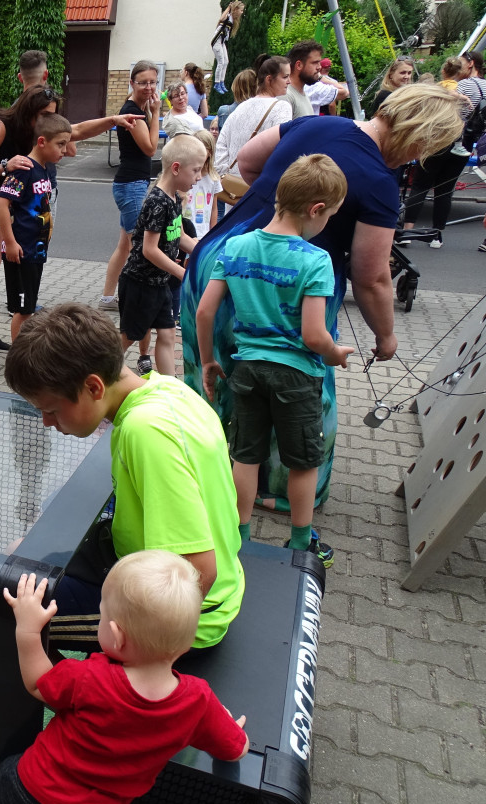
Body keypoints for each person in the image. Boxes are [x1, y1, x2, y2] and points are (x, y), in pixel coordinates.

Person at [181, 84, 462, 512]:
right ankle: (277, 493)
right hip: (293, 286)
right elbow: (372, 277)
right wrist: (385, 337)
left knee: (213, 374)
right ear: (417, 137)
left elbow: (248, 160)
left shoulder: (319, 122)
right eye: (427, 149)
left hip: (224, 252)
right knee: (294, 386)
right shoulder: (379, 183)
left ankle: (201, 468)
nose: (420, 160)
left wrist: (281, 204)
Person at [0, 303, 245, 654]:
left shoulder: (145, 431)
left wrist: (144, 650)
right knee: (19, 554)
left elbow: (198, 571)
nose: (46, 422)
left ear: (94, 387)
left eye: (52, 410)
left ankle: (76, 696)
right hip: (139, 565)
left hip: (184, 614)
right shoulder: (166, 388)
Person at [0, 552, 249, 804]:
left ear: (117, 637)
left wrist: (27, 629)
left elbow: (38, 683)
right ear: (187, 642)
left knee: (2, 779)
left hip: (26, 792)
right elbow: (236, 749)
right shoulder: (198, 701)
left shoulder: (91, 676)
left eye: (102, 614)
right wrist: (227, 726)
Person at [197, 154, 351, 567]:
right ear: (315, 210)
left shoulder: (237, 245)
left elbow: (205, 312)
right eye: (330, 216)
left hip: (245, 370)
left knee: (245, 455)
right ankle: (301, 544)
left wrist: (210, 360)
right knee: (302, 462)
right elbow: (315, 336)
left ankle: (239, 536)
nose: (327, 224)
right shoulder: (316, 261)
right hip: (296, 377)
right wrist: (336, 354)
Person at [0, 85, 142, 364]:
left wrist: (113, 121)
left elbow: (77, 130)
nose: (50, 119)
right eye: (45, 114)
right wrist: (4, 166)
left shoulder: (38, 133)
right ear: (29, 111)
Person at [116, 135, 204, 376]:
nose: (199, 177)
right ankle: (99, 380)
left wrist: (204, 252)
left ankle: (170, 389)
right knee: (127, 338)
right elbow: (149, 249)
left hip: (159, 284)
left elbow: (179, 236)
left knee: (167, 334)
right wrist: (182, 273)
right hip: (140, 284)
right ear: (176, 168)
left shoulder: (174, 198)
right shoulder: (158, 202)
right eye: (196, 170)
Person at [0, 113, 71, 340]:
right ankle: (19, 360)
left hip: (35, 252)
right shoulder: (24, 169)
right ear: (41, 142)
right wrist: (10, 242)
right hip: (21, 252)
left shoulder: (44, 169)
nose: (64, 150)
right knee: (23, 310)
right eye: (60, 144)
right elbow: (1, 204)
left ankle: (23, 355)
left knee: (28, 307)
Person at [99, 60, 161, 313]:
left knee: (125, 245)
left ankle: (107, 298)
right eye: (143, 82)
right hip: (132, 185)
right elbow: (150, 148)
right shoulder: (134, 113)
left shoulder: (137, 108)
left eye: (153, 82)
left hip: (131, 184)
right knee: (140, 247)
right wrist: (156, 114)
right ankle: (134, 298)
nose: (148, 87)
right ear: (132, 83)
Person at [402, 61, 476, 248]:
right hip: (460, 143)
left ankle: (408, 230)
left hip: (435, 141)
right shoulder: (472, 88)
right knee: (445, 191)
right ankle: (436, 235)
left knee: (420, 186)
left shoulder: (437, 89)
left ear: (443, 71)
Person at [214, 55, 291, 184]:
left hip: (233, 190)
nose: (289, 81)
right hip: (261, 189)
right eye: (285, 77)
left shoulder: (240, 107)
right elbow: (281, 150)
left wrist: (225, 177)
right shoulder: (282, 107)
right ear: (269, 79)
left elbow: (221, 145)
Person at [211, 2, 245, 95]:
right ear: (236, 9)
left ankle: (222, 82)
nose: (242, 12)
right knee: (221, 62)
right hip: (216, 42)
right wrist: (229, 8)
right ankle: (217, 83)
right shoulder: (228, 16)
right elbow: (221, 18)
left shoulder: (233, 20)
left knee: (226, 61)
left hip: (221, 42)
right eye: (241, 10)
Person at [285, 40, 324, 119]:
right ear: (299, 65)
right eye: (315, 63)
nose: (319, 67)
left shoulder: (301, 93)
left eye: (319, 62)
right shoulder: (286, 96)